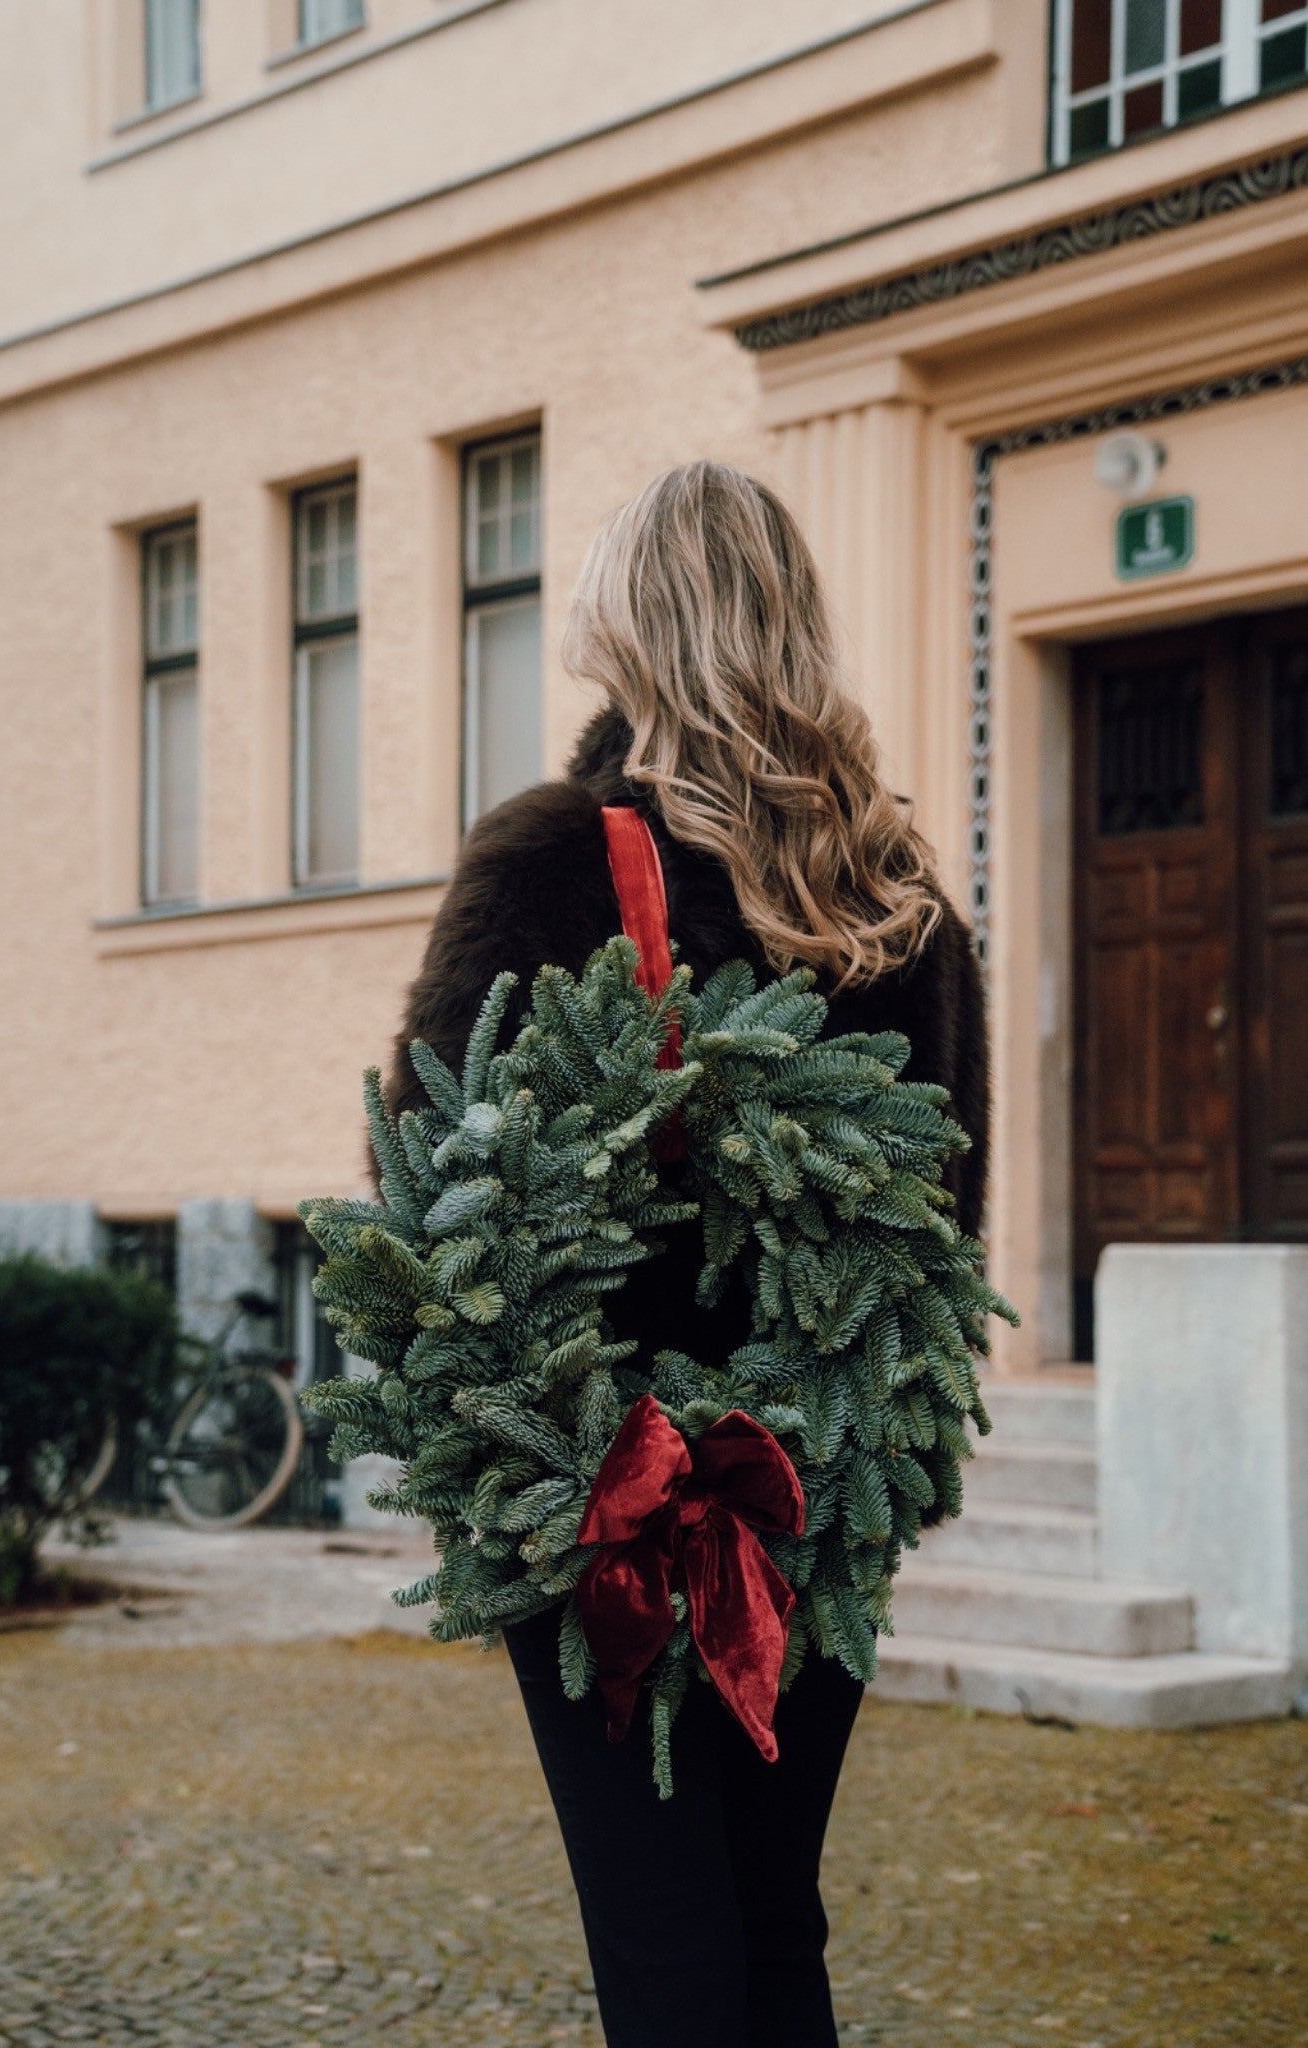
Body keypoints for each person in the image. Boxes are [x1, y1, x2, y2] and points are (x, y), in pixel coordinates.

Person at [382, 462, 989, 2048]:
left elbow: (425, 1201)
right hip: (816, 1497)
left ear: (622, 625)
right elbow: (944, 1239)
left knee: (661, 1943)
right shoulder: (898, 899)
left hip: (601, 1499)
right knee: (773, 1926)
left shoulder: (544, 862)